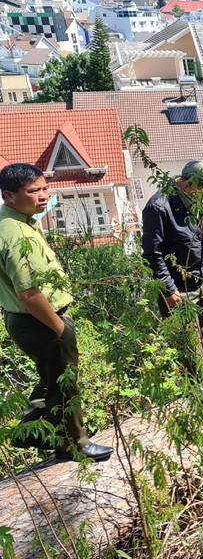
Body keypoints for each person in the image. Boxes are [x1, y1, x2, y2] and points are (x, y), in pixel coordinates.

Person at [0, 163, 113, 462]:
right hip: (40, 320)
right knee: (64, 384)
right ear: (9, 196)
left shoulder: (16, 221)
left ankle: (33, 433)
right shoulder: (16, 235)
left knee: (52, 379)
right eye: (33, 191)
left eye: (45, 189)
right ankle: (74, 445)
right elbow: (28, 294)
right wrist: (59, 328)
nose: (43, 196)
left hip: (30, 320)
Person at [141, 159, 203, 398]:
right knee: (187, 341)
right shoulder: (159, 207)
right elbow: (153, 254)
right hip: (177, 289)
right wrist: (169, 289)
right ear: (190, 184)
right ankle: (195, 388)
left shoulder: (198, 197)